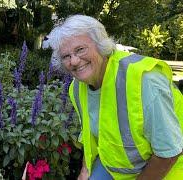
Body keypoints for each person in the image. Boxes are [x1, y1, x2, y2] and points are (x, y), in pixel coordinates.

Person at [43, 15, 183, 179]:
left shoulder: (145, 81)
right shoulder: (77, 88)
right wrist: (85, 170)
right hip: (119, 169)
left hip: (167, 170)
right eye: (66, 56)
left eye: (80, 49)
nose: (73, 61)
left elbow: (168, 153)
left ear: (100, 46)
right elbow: (91, 136)